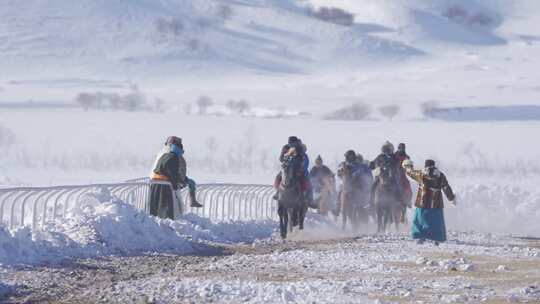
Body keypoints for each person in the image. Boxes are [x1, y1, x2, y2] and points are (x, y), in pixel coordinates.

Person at [403, 159, 456, 245]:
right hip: (436, 203)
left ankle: (421, 237)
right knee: (436, 222)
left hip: (423, 202)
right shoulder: (440, 175)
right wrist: (451, 198)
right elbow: (446, 187)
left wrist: (407, 167)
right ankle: (437, 239)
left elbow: (411, 173)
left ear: (425, 166)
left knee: (420, 220)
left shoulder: (421, 174)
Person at [149, 136, 184, 219]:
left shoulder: (163, 155)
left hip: (154, 184)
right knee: (167, 209)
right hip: (165, 186)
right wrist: (176, 185)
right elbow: (173, 173)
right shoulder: (174, 157)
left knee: (155, 209)